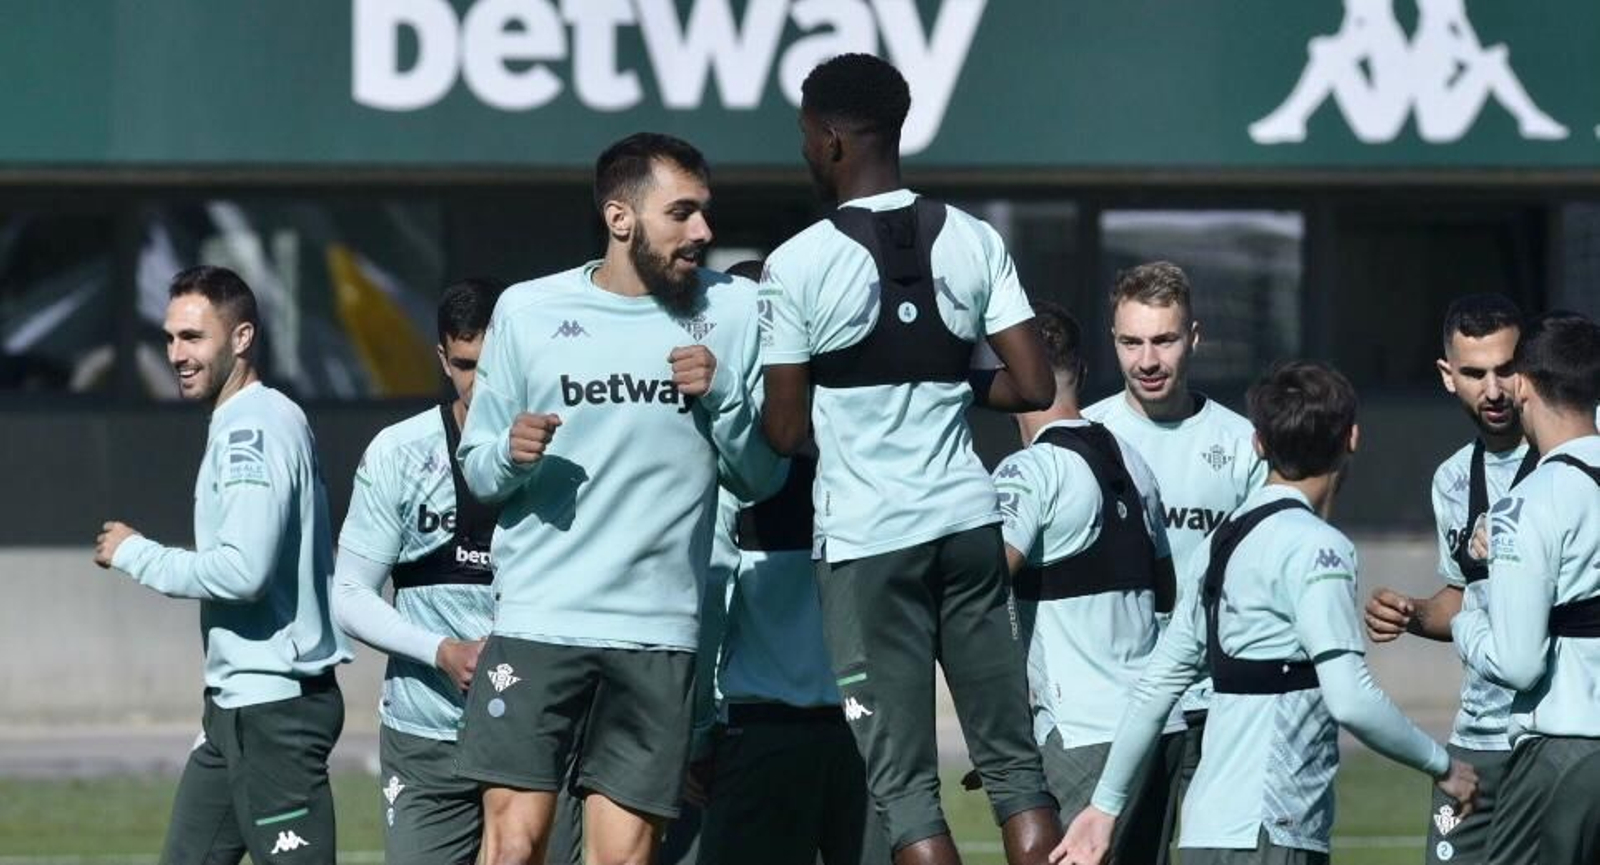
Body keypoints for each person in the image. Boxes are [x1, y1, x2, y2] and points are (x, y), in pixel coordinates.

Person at [759, 53, 1059, 865]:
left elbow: (784, 432)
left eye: (801, 136)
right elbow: (1033, 384)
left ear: (828, 139)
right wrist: (942, 377)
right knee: (1016, 772)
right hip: (968, 523)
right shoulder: (975, 236)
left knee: (904, 791)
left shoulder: (797, 263)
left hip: (868, 543)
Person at [453, 132, 777, 865]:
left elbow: (762, 478)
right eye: (683, 213)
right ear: (620, 218)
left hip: (657, 634)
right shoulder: (528, 310)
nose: (704, 232)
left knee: (624, 858)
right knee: (512, 845)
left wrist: (724, 395)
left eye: (705, 213)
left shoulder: (738, 310)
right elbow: (476, 471)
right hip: (539, 619)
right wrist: (510, 453)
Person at [1053, 360, 1478, 865]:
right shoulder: (1320, 548)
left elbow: (1157, 685)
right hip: (1272, 828)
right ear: (1353, 438)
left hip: (1205, 832)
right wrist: (1442, 764)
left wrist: (1105, 807)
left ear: (1257, 443)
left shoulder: (1222, 541)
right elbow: (1350, 699)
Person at [93, 265, 351, 865]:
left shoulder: (252, 429)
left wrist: (137, 554)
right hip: (235, 707)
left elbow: (243, 572)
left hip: (274, 711)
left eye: (194, 337)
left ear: (241, 338)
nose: (177, 354)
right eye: (170, 337)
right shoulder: (246, 419)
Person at [331, 278, 581, 865]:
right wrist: (441, 650)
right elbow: (348, 594)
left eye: (494, 364)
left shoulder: (567, 454)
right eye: (466, 365)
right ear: (443, 358)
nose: (481, 382)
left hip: (539, 733)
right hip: (426, 740)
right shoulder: (398, 453)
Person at [1081, 261, 1266, 862]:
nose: (1147, 360)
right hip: (1119, 706)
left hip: (1219, 705)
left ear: (1195, 337)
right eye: (1131, 342)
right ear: (1113, 342)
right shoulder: (1085, 438)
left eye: (1163, 339)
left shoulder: (1243, 444)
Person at [990, 302, 1182, 865]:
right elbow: (1164, 592)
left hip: (1085, 733)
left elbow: (977, 585)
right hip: (1156, 727)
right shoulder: (1133, 458)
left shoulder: (1031, 470)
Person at [1362, 293, 1528, 865]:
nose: (1494, 390)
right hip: (1477, 740)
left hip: (1558, 738)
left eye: (1506, 369)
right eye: (1475, 373)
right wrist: (1412, 612)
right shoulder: (1453, 480)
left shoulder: (1582, 453)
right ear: (1447, 376)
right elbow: (1464, 600)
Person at [1452, 312, 1600, 865]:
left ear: (1524, 385)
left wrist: (1469, 621)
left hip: (1563, 752)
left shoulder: (1525, 503)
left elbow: (1519, 665)